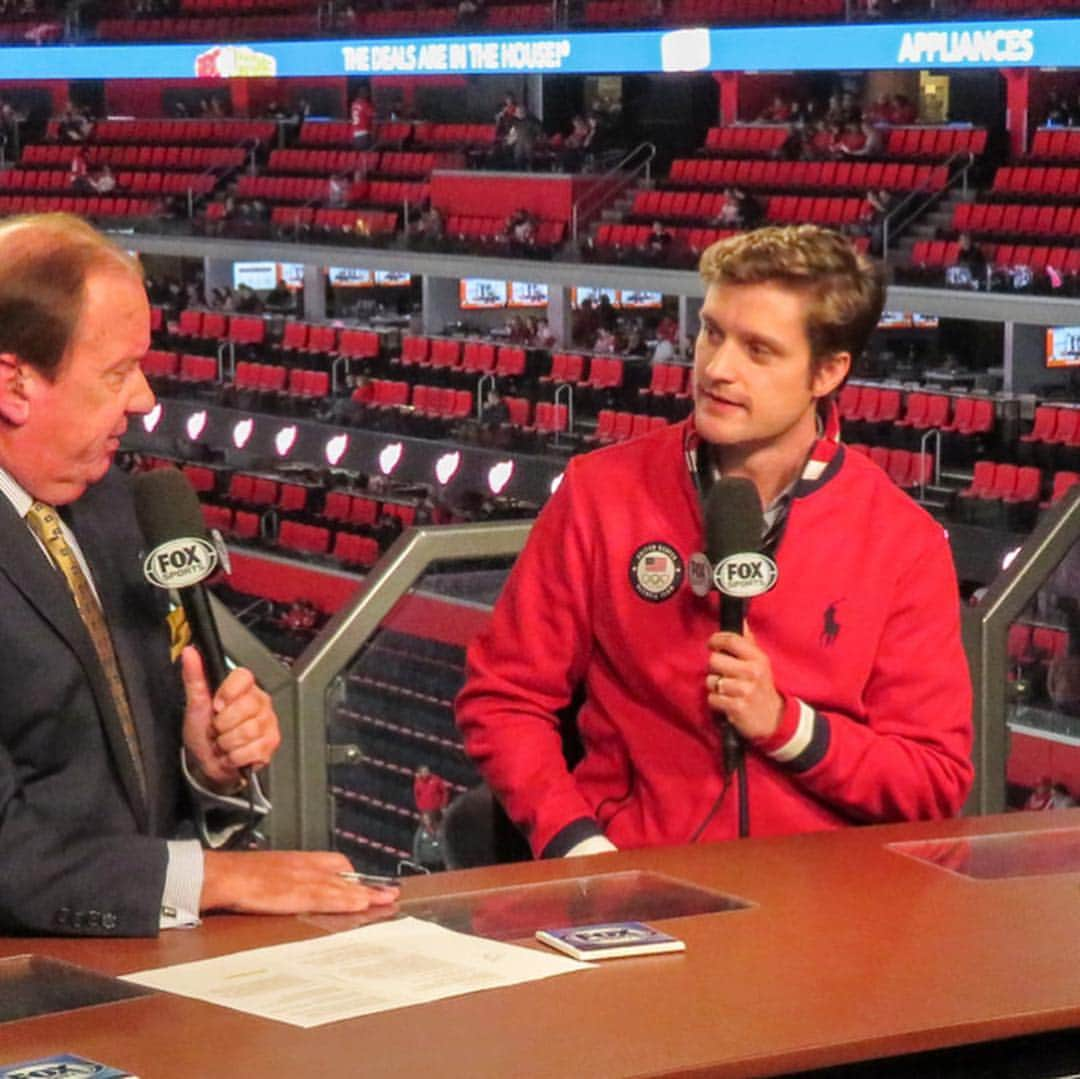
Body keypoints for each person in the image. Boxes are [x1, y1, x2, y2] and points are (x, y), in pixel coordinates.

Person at [456, 225, 973, 858]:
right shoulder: (600, 492)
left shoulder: (902, 540)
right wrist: (578, 846)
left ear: (828, 372)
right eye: (712, 332)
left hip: (828, 903)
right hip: (634, 880)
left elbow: (934, 782)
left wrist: (786, 725)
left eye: (758, 350)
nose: (717, 368)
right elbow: (505, 697)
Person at [0, 214, 397, 935]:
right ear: (14, 382)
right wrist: (220, 878)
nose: (146, 399)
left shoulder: (116, 505)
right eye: (117, 372)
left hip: (137, 958)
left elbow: (118, 791)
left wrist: (203, 767)